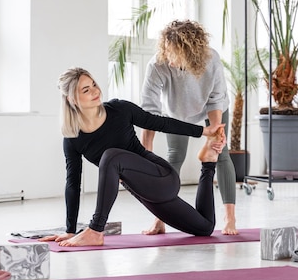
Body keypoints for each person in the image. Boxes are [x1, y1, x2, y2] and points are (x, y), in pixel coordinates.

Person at [39, 67, 225, 247]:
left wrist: (204, 131)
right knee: (205, 228)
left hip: (162, 177)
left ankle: (96, 230)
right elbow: (73, 183)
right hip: (143, 191)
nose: (95, 91)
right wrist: (70, 230)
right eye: (86, 90)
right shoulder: (72, 139)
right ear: (72, 99)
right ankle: (208, 163)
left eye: (94, 84)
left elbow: (159, 122)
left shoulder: (119, 109)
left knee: (110, 156)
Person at [141, 20, 238, 235]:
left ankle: (229, 217)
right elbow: (150, 110)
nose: (169, 57)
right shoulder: (157, 65)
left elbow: (216, 98)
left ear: (190, 50)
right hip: (176, 113)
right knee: (175, 156)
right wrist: (145, 149)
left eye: (174, 52)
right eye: (166, 50)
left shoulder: (210, 59)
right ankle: (160, 219)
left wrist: (215, 135)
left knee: (221, 155)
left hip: (212, 108)